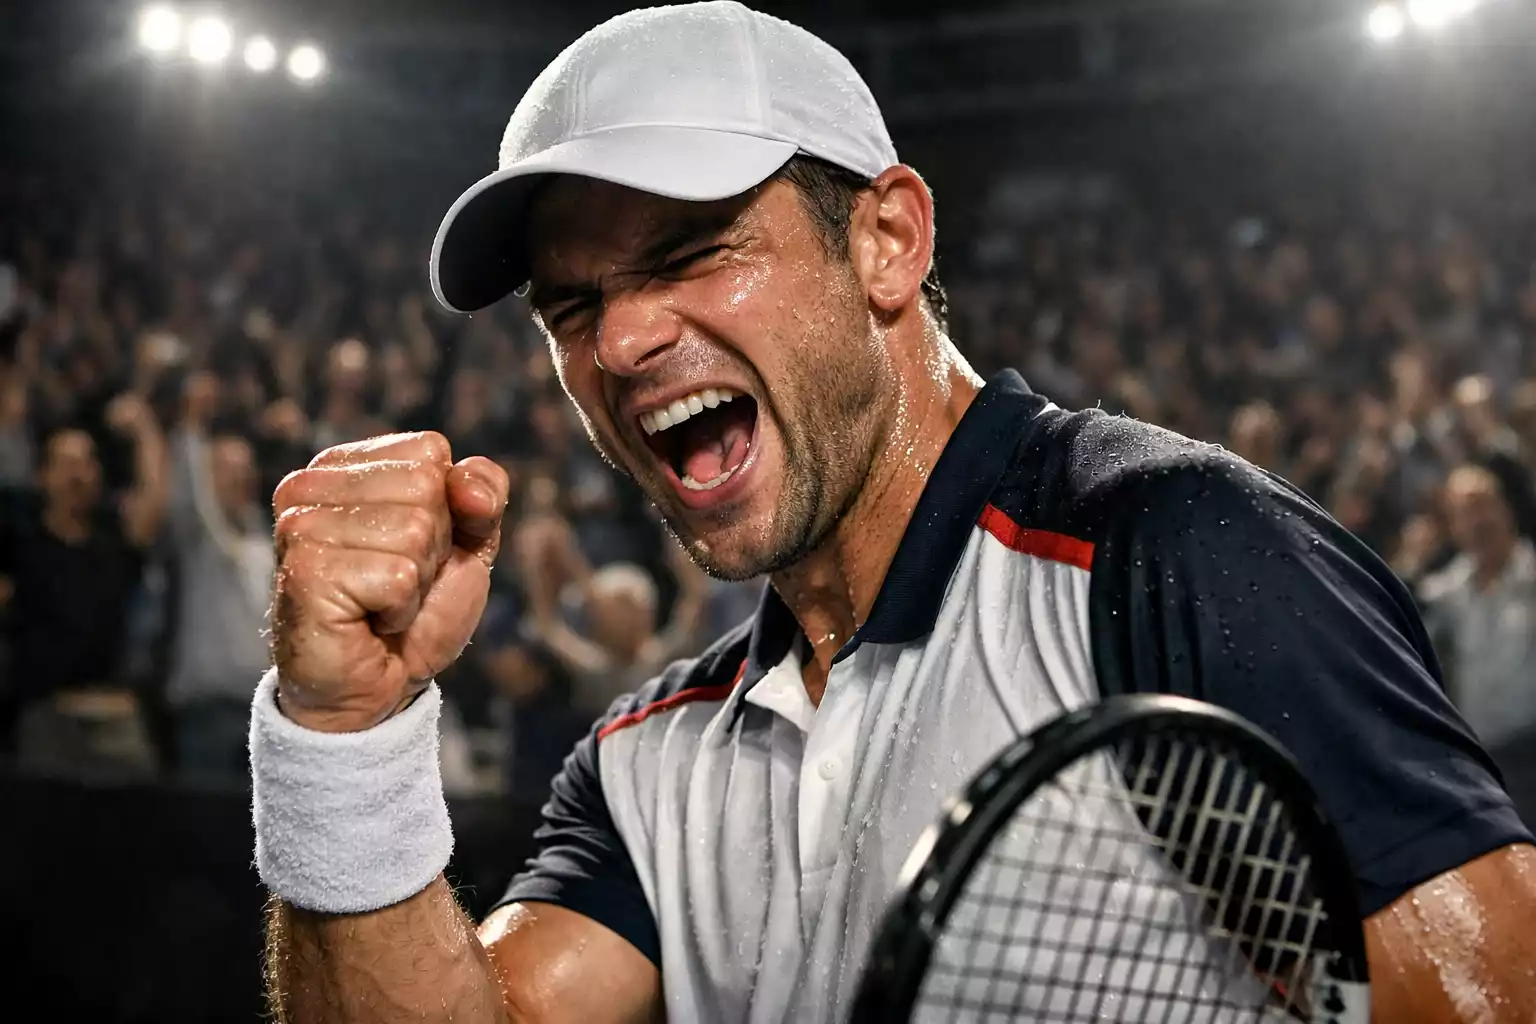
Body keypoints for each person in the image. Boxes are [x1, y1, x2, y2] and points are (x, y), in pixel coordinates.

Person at [250, 5, 1536, 1023]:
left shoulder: (1179, 556)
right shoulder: (643, 761)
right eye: (571, 309)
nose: (623, 339)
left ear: (888, 240)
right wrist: (343, 733)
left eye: (692, 251)